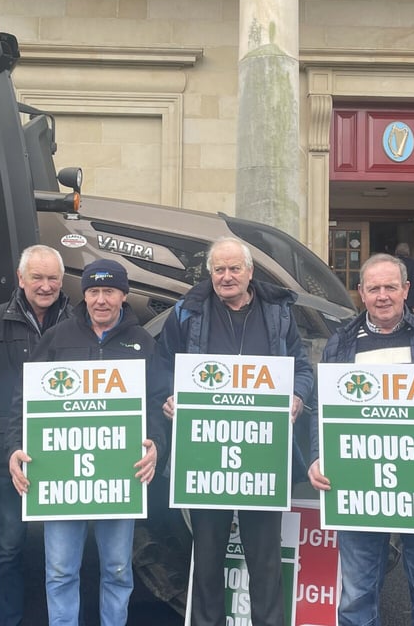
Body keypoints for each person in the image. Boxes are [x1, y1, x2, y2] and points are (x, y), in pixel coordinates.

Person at [154, 236, 315, 626]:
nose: (226, 276)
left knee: (265, 559)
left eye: (234, 269)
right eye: (219, 270)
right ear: (210, 274)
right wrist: (166, 397)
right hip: (206, 457)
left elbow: (303, 368)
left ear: (250, 272)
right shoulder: (186, 313)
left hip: (263, 458)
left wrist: (297, 395)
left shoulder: (278, 313)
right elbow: (161, 367)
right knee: (207, 557)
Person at [307, 253, 414, 626]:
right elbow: (321, 409)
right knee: (356, 595)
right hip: (358, 483)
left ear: (406, 290)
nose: (383, 296)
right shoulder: (340, 345)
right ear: (361, 294)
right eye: (374, 288)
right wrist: (318, 455)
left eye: (390, 287)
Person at [10, 258, 164, 626]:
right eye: (93, 291)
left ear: (123, 296)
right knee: (61, 570)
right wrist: (14, 445)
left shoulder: (142, 343)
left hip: (120, 475)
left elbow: (158, 401)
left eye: (109, 291)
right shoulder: (58, 338)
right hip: (60, 475)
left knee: (117, 568)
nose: (100, 300)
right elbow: (24, 400)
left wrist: (157, 443)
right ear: (85, 295)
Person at [0, 244, 71, 626]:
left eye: (52, 278)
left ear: (62, 280)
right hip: (8, 454)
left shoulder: (78, 321)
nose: (45, 286)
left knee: (63, 553)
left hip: (65, 454)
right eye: (37, 277)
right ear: (21, 279)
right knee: (9, 547)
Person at [394, 242, 414, 309]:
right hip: (409, 300)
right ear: (408, 251)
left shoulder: (392, 262)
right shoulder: (413, 264)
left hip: (394, 297)